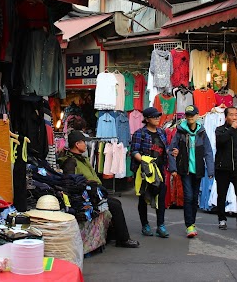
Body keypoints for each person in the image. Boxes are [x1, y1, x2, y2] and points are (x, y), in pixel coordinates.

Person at [59, 130, 140, 248]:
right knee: (115, 205)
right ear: (77, 144)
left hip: (94, 192)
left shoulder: (82, 159)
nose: (85, 145)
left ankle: (115, 234)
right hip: (84, 196)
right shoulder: (71, 162)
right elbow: (70, 183)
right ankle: (123, 239)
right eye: (83, 142)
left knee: (115, 203)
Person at [130, 107, 176, 238]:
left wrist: (172, 153)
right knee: (143, 198)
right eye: (154, 117)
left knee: (161, 197)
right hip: (143, 171)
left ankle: (160, 225)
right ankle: (145, 225)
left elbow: (165, 149)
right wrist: (145, 161)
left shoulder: (161, 133)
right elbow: (134, 151)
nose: (157, 119)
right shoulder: (140, 133)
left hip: (159, 170)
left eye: (158, 116)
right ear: (147, 119)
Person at [170, 105, 214, 238]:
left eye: (192, 115)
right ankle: (189, 225)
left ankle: (192, 223)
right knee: (188, 196)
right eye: (188, 115)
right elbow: (171, 150)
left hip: (198, 170)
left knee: (195, 198)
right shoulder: (180, 131)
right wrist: (173, 168)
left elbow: (208, 152)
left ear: (197, 116)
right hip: (185, 169)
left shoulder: (202, 132)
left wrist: (210, 170)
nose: (190, 117)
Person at [214, 106, 237, 230]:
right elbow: (220, 142)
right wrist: (231, 130)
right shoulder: (220, 130)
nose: (234, 117)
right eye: (231, 115)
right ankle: (222, 219)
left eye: (236, 114)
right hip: (223, 168)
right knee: (222, 194)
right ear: (226, 117)